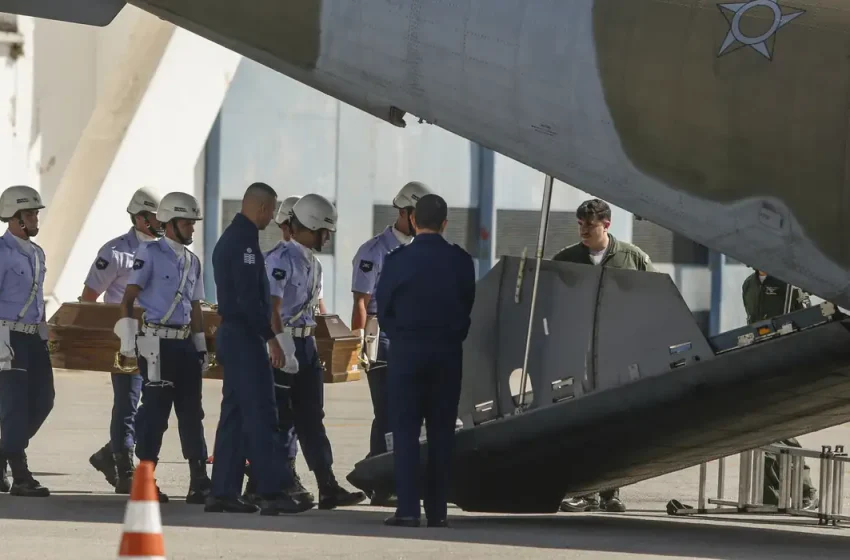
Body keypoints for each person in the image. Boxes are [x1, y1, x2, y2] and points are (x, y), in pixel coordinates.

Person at [205, 182, 312, 515]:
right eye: (271, 210)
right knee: (263, 414)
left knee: (235, 416)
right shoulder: (244, 244)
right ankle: (272, 491)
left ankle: (222, 491)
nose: (270, 219)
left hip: (236, 334)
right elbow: (249, 300)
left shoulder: (234, 238)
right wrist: (270, 337)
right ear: (263, 208)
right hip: (245, 336)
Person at [262, 193, 366, 510]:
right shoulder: (280, 259)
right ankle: (278, 486)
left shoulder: (313, 264)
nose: (328, 237)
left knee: (311, 418)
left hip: (306, 345)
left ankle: (326, 484)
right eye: (325, 231)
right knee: (281, 420)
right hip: (284, 345)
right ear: (309, 225)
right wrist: (280, 346)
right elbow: (271, 308)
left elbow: (313, 309)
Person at [377, 193, 476, 528]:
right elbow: (467, 307)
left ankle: (407, 509)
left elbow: (384, 309)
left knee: (405, 432)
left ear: (414, 221)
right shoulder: (462, 261)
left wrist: (403, 337)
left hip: (406, 354)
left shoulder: (396, 260)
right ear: (445, 223)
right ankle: (438, 512)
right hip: (447, 354)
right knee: (441, 433)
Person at [553, 198, 654, 514]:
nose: (584, 229)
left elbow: (654, 294)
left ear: (606, 225)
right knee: (582, 421)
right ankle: (587, 492)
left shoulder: (631, 257)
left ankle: (611, 492)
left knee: (616, 421)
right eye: (581, 224)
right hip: (579, 354)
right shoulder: (567, 259)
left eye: (590, 224)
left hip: (619, 352)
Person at [114, 191, 212, 504]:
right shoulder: (149, 253)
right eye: (188, 223)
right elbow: (129, 298)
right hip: (155, 343)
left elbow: (196, 306)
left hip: (183, 344)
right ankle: (144, 480)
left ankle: (199, 481)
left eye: (194, 223)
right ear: (170, 223)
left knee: (191, 413)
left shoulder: (193, 261)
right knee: (155, 414)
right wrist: (129, 341)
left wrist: (200, 346)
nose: (193, 229)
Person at [351, 180, 431, 507]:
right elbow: (361, 301)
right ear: (404, 212)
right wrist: (360, 345)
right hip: (381, 337)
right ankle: (381, 483)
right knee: (386, 411)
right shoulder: (374, 251)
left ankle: (379, 473)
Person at [84, 188, 163, 493]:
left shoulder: (163, 252)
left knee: (154, 404)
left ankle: (109, 452)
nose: (161, 222)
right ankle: (123, 465)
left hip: (155, 339)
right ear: (141, 217)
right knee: (128, 403)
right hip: (124, 340)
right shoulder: (114, 252)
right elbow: (89, 297)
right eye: (156, 217)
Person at [741, 269, 818, 509]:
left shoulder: (790, 282)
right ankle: (771, 495)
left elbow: (807, 321)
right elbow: (751, 320)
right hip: (760, 360)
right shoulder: (749, 284)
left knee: (780, 429)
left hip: (785, 361)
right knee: (761, 430)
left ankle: (806, 491)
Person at [0, 185, 54, 497]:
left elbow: (37, 300)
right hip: (8, 336)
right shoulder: (3, 253)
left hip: (33, 338)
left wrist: (44, 333)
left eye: (35, 213)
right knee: (14, 405)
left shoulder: (37, 253)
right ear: (15, 218)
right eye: (31, 213)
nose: (35, 218)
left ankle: (4, 452)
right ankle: (20, 474)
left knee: (44, 400)